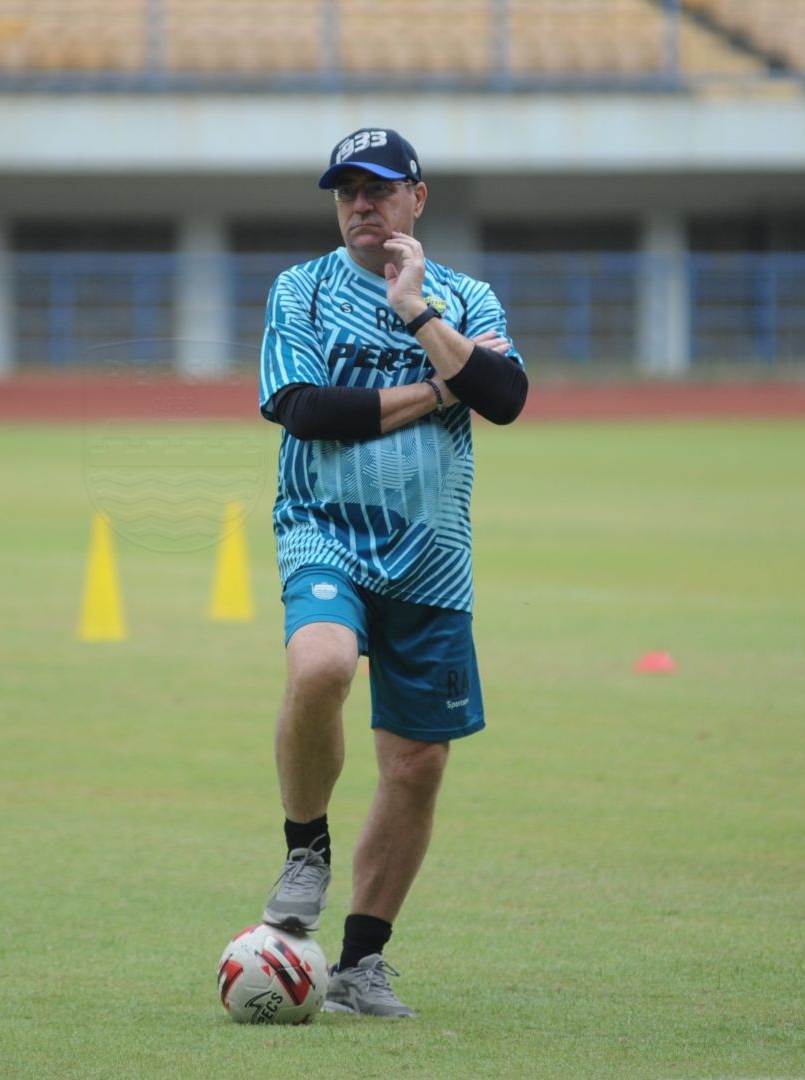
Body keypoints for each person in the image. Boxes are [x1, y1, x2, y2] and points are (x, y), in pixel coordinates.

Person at [256, 127, 528, 1018]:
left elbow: (506, 399)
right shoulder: (300, 289)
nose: (360, 206)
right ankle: (306, 849)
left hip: (431, 558)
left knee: (416, 767)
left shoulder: (465, 295)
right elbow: (304, 410)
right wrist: (439, 386)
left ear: (418, 198)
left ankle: (361, 967)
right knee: (322, 665)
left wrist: (419, 314)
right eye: (346, 194)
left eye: (377, 190)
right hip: (324, 530)